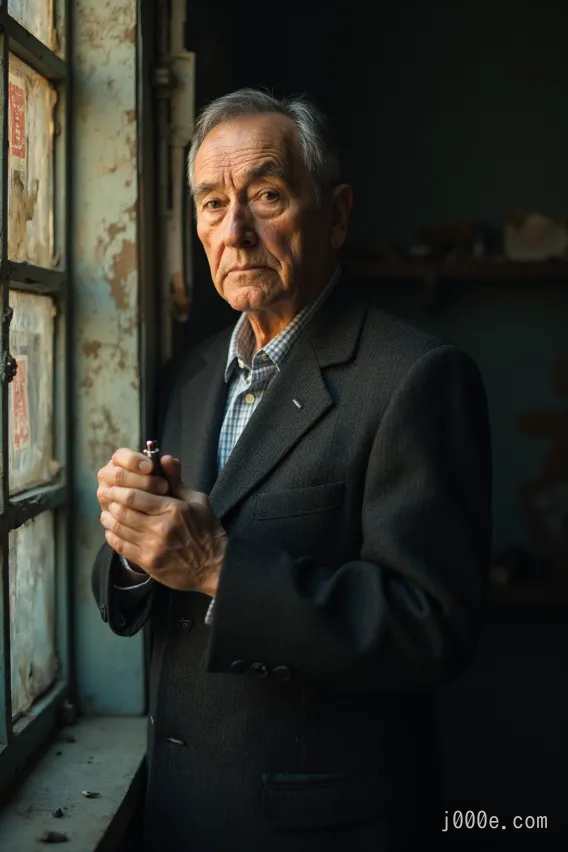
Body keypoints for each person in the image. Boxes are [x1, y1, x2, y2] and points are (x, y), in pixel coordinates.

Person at [92, 88, 492, 851]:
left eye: (266, 196)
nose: (235, 231)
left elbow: (432, 631)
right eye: (212, 204)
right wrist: (134, 543)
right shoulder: (193, 372)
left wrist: (218, 566)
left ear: (336, 214)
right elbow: (136, 594)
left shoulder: (416, 377)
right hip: (177, 816)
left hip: (316, 829)